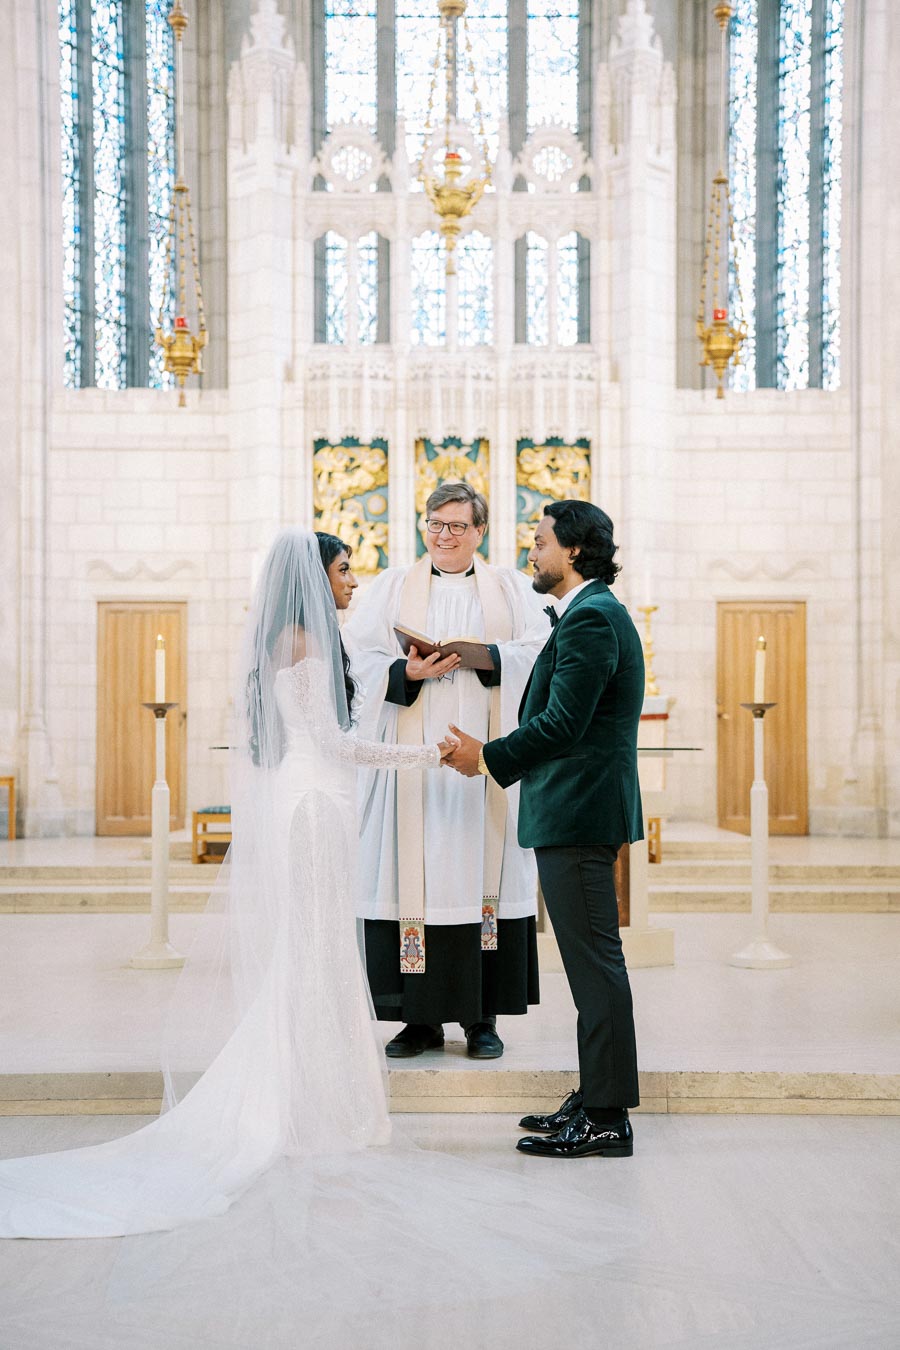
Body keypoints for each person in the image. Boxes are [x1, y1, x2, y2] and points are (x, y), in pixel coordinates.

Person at [0, 529, 457, 1237]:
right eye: (344, 572)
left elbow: (332, 730)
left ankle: (316, 1098)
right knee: (315, 955)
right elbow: (338, 746)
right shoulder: (305, 645)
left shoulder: (297, 643)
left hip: (312, 803)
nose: (353, 584)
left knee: (314, 953)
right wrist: (430, 752)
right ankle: (309, 1106)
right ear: (314, 578)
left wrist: (406, 682)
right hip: (314, 810)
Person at [443, 501, 644, 1158]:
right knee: (590, 970)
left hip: (580, 813)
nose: (532, 552)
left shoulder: (592, 620)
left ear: (575, 553)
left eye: (541, 541)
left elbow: (564, 725)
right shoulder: (588, 614)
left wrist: (488, 757)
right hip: (572, 811)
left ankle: (608, 1116)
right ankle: (594, 1098)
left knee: (596, 970)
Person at [343, 482, 550, 1060]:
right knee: (414, 883)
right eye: (435, 523)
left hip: (483, 768)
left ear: (480, 531)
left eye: (458, 526)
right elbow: (356, 659)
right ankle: (418, 1020)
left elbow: (543, 649)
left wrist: (490, 656)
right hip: (411, 772)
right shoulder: (390, 588)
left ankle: (481, 1019)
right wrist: (404, 673)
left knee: (479, 882)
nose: (444, 535)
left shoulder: (509, 588)